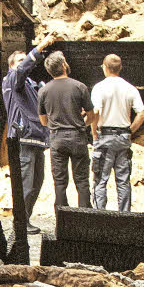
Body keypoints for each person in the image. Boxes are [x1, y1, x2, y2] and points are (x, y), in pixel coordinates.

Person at [2, 30, 61, 233]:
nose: (24, 62)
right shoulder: (12, 79)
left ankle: (24, 219)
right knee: (26, 184)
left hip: (37, 138)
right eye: (19, 60)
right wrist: (41, 46)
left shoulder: (29, 84)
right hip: (24, 138)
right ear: (12, 65)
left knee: (37, 182)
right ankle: (21, 223)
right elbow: (21, 71)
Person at [90, 53, 144, 212]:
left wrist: (94, 132)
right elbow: (141, 114)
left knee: (100, 180)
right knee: (123, 181)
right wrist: (130, 130)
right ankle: (125, 215)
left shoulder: (99, 87)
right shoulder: (130, 88)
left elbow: (95, 112)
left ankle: (100, 215)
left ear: (104, 67)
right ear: (120, 68)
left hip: (105, 137)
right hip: (123, 138)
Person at [38, 51, 93, 210]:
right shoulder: (79, 86)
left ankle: (62, 217)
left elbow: (43, 120)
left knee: (60, 181)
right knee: (82, 180)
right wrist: (82, 124)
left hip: (57, 138)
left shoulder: (44, 90)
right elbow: (91, 115)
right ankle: (85, 216)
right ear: (63, 65)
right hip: (77, 137)